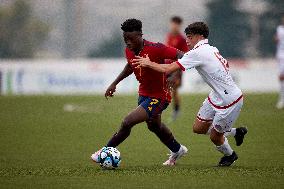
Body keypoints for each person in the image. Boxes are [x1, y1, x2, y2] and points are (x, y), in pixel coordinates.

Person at [133, 22, 248, 166]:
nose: (187, 40)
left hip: (229, 100)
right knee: (198, 128)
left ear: (200, 36)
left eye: (190, 37)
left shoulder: (198, 53)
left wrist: (149, 63)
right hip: (217, 95)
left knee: (215, 137)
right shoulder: (210, 48)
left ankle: (230, 156)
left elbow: (168, 69)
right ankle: (236, 132)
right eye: (186, 37)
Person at [91, 18, 187, 166]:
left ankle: (104, 151)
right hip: (143, 94)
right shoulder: (128, 50)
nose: (128, 42)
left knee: (127, 122)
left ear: (140, 35)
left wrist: (175, 74)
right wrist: (114, 83)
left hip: (160, 96)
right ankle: (177, 149)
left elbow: (183, 56)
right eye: (125, 39)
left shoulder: (157, 48)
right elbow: (130, 66)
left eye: (131, 39)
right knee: (154, 126)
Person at [165, 16, 189, 120]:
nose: (174, 26)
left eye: (176, 24)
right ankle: (162, 108)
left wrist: (178, 71)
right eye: (173, 24)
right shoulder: (169, 36)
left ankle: (176, 110)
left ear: (179, 26)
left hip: (176, 68)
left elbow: (185, 54)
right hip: (167, 66)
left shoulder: (181, 39)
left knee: (174, 90)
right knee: (165, 88)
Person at [275, 16, 284, 109]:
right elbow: (276, 40)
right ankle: (281, 99)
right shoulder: (279, 29)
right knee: (281, 76)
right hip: (281, 55)